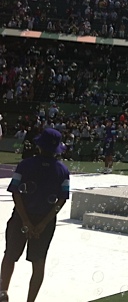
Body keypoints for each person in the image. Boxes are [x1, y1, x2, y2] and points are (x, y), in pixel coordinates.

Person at [0, 128, 70, 302]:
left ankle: (3, 293)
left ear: (39, 146)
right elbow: (61, 200)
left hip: (21, 217)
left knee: (10, 256)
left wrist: (25, 220)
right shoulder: (62, 171)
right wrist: (43, 224)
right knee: (39, 262)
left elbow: (16, 192)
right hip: (45, 221)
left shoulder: (25, 165)